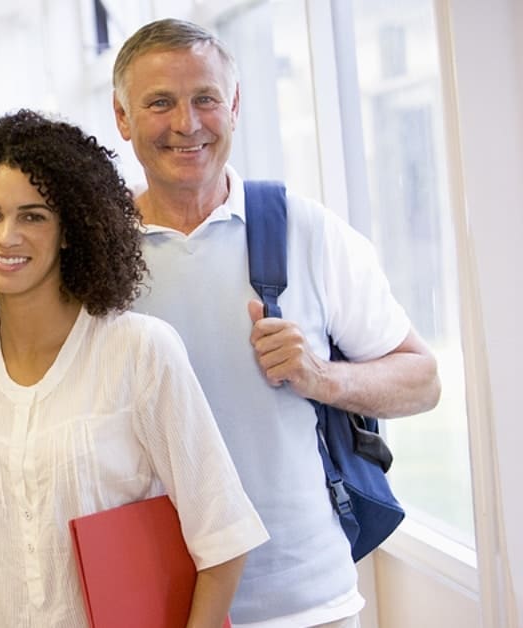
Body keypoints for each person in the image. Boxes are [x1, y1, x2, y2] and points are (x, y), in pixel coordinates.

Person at [111, 18, 442, 627]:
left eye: (206, 98)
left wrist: (323, 377)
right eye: (160, 102)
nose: (187, 123)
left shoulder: (302, 229)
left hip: (306, 601)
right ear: (123, 117)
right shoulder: (96, 251)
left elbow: (422, 379)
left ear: (234, 106)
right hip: (152, 600)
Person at [0, 110, 269, 627]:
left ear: (70, 229)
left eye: (33, 216)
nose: (6, 236)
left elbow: (224, 538)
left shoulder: (140, 351)